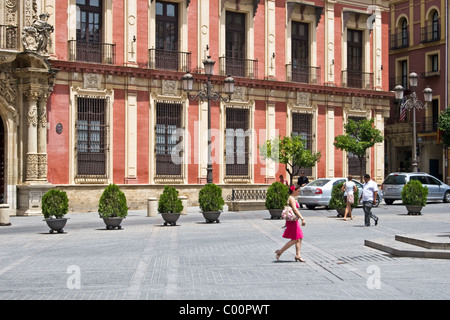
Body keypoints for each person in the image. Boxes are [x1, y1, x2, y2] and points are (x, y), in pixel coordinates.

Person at [275, 185, 306, 262]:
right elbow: (295, 210)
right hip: (293, 222)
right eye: (298, 191)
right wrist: (302, 218)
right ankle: (280, 251)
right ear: (294, 191)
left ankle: (298, 255)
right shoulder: (291, 198)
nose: (299, 193)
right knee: (295, 239)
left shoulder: (292, 198)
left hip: (293, 221)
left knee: (299, 237)